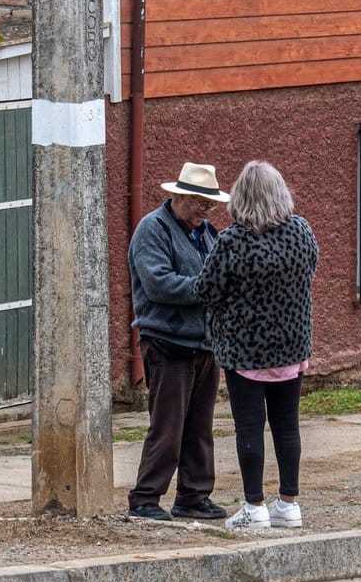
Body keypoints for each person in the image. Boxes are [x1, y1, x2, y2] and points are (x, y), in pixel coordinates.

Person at [194, 160, 318, 530]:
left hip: (245, 351)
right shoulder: (301, 231)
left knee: (249, 428)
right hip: (293, 347)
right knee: (287, 427)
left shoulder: (232, 240)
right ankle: (289, 503)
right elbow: (311, 269)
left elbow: (206, 290)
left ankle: (254, 506)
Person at [126, 162, 230, 521]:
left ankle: (193, 496)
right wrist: (207, 289)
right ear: (180, 197)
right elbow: (157, 284)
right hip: (167, 342)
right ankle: (145, 499)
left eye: (211, 205)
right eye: (202, 203)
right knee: (167, 427)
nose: (207, 210)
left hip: (204, 343)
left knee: (199, 427)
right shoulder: (152, 231)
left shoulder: (207, 233)